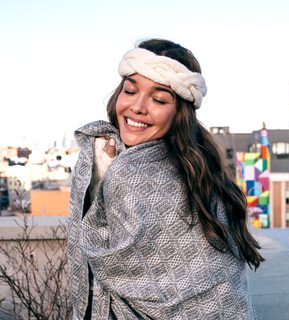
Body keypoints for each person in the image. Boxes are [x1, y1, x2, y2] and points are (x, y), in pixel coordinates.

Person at [68, 39, 264, 320]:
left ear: (180, 112)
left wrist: (102, 176)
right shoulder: (200, 162)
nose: (137, 107)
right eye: (130, 90)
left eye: (158, 99)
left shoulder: (127, 171)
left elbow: (109, 263)